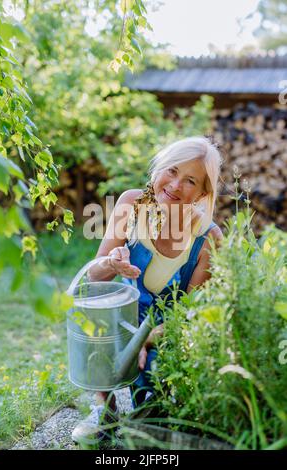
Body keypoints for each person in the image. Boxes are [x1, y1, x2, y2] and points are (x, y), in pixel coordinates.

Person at [72, 136, 223, 442]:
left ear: (203, 192)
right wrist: (113, 264)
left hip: (169, 328)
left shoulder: (208, 236)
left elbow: (189, 313)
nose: (175, 185)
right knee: (93, 318)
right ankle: (105, 409)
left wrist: (144, 340)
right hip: (126, 315)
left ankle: (150, 413)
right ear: (158, 170)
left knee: (150, 410)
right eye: (172, 171)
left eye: (190, 180)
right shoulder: (130, 204)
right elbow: (94, 278)